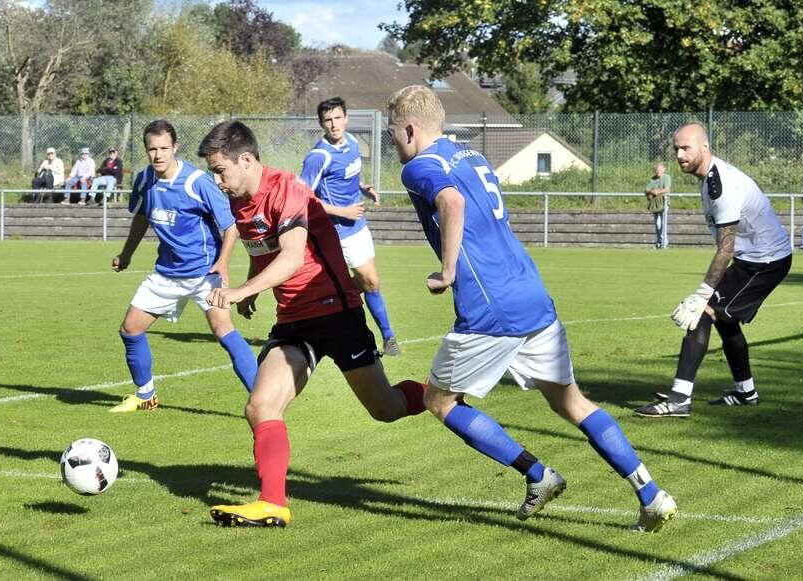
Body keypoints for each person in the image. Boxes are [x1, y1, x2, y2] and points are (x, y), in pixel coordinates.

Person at [386, 84, 677, 531]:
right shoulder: (472, 156)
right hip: (530, 291)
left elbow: (452, 201)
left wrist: (446, 272)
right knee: (571, 402)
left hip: (490, 307)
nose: (393, 146)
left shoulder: (420, 167)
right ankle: (651, 493)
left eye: (392, 136)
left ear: (410, 128)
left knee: (439, 400)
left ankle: (538, 475)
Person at [198, 120, 427, 529]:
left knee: (386, 408)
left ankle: (440, 395)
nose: (217, 180)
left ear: (246, 159)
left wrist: (238, 290)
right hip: (293, 321)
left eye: (221, 170)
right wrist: (252, 290)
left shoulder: (285, 188)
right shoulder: (238, 200)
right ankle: (272, 503)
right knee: (260, 405)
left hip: (335, 312)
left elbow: (289, 257)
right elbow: (261, 246)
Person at [635, 123, 792, 418]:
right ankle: (746, 393)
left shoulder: (720, 184)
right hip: (755, 258)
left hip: (766, 261)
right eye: (677, 148)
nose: (680, 154)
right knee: (724, 318)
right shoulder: (707, 178)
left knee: (704, 311)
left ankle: (679, 398)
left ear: (704, 148)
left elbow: (726, 248)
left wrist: (701, 294)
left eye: (686, 148)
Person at [109, 120, 258, 413]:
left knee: (224, 331)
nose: (158, 154)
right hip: (166, 273)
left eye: (164, 147)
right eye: (152, 149)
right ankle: (145, 395)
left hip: (204, 274)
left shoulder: (196, 182)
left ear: (175, 147)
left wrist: (223, 265)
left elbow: (230, 226)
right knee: (130, 329)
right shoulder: (143, 181)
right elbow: (141, 217)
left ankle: (262, 399)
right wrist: (126, 254)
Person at [299, 97, 400, 356]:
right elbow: (303, 200)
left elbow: (352, 177)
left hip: (358, 226)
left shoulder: (353, 142)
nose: (333, 125)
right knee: (371, 281)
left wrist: (364, 188)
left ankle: (383, 335)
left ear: (346, 118)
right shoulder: (318, 156)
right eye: (327, 120)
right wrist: (341, 211)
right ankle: (388, 338)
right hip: (337, 232)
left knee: (370, 283)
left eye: (337, 118)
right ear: (321, 124)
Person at [645, 162, 671, 249]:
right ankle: (659, 241)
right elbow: (647, 189)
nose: (658, 172)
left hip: (664, 202)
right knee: (657, 223)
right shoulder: (653, 179)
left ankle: (664, 242)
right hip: (655, 203)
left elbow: (667, 189)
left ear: (664, 170)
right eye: (657, 170)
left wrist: (658, 192)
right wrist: (652, 192)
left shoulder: (666, 177)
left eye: (660, 170)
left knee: (663, 223)